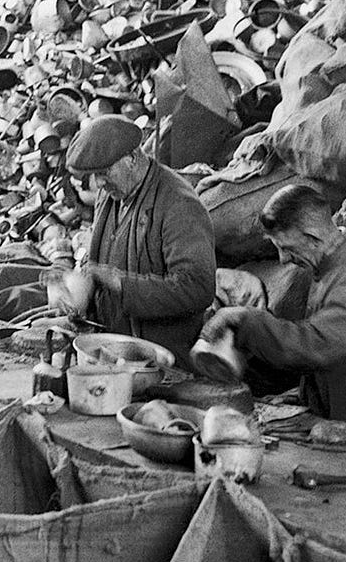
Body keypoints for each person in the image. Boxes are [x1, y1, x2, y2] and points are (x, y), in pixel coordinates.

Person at [198, 182, 346, 444]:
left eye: (287, 248)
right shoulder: (331, 267)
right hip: (338, 420)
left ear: (313, 236)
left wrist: (245, 320)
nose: (282, 260)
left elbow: (315, 346)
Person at [51, 114, 220, 370]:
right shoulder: (111, 194)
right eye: (94, 175)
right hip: (110, 344)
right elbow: (103, 257)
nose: (98, 183)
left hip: (158, 357)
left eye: (104, 172)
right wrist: (76, 289)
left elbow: (198, 289)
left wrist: (121, 283)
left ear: (131, 158)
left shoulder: (178, 204)